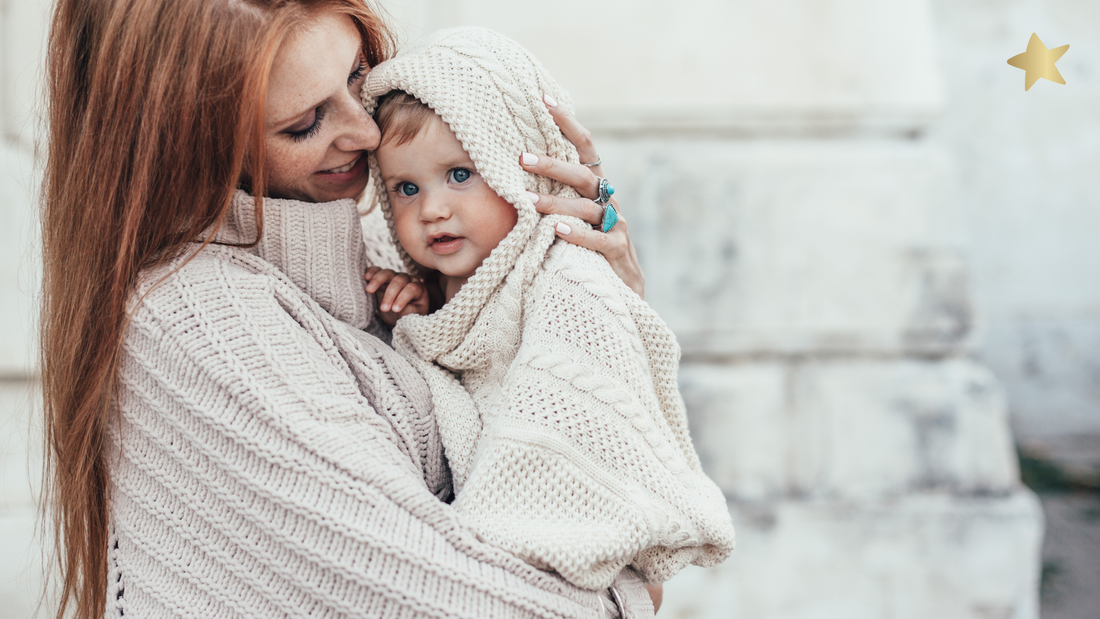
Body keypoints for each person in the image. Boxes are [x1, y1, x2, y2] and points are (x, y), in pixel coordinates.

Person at [39, 1, 661, 618]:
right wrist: (629, 583)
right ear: (191, 147)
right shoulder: (201, 324)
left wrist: (588, 288)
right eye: (305, 121)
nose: (367, 134)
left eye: (358, 74)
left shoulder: (388, 250)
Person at [359, 27, 735, 591]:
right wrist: (416, 316)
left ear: (523, 174)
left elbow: (568, 406)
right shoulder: (440, 286)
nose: (432, 209)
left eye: (461, 175)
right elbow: (450, 355)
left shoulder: (567, 275)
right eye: (405, 189)